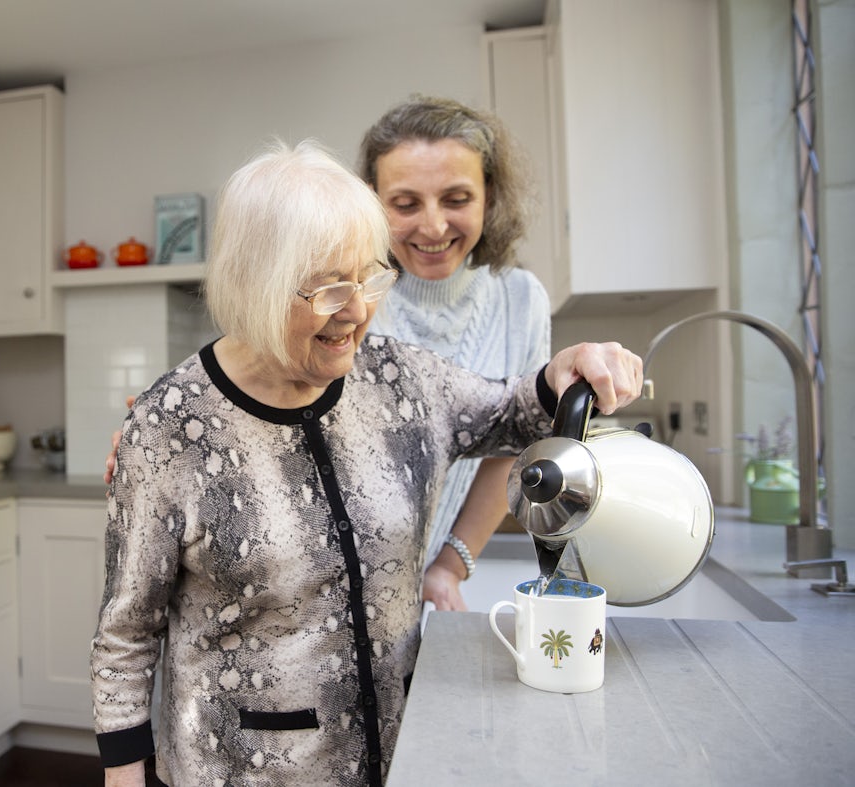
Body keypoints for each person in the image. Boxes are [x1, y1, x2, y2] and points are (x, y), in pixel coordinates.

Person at [92, 139, 643, 786]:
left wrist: (565, 372)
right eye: (329, 288)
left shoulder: (400, 378)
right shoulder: (171, 424)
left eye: (370, 277)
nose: (356, 311)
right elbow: (127, 634)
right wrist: (123, 776)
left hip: (400, 752)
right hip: (241, 768)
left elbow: (511, 414)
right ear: (253, 284)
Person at [359, 95, 550, 612]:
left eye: (457, 198)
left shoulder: (520, 299)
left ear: (490, 195)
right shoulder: (348, 293)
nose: (434, 226)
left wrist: (449, 566)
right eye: (405, 204)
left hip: (416, 599)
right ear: (371, 203)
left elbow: (510, 448)